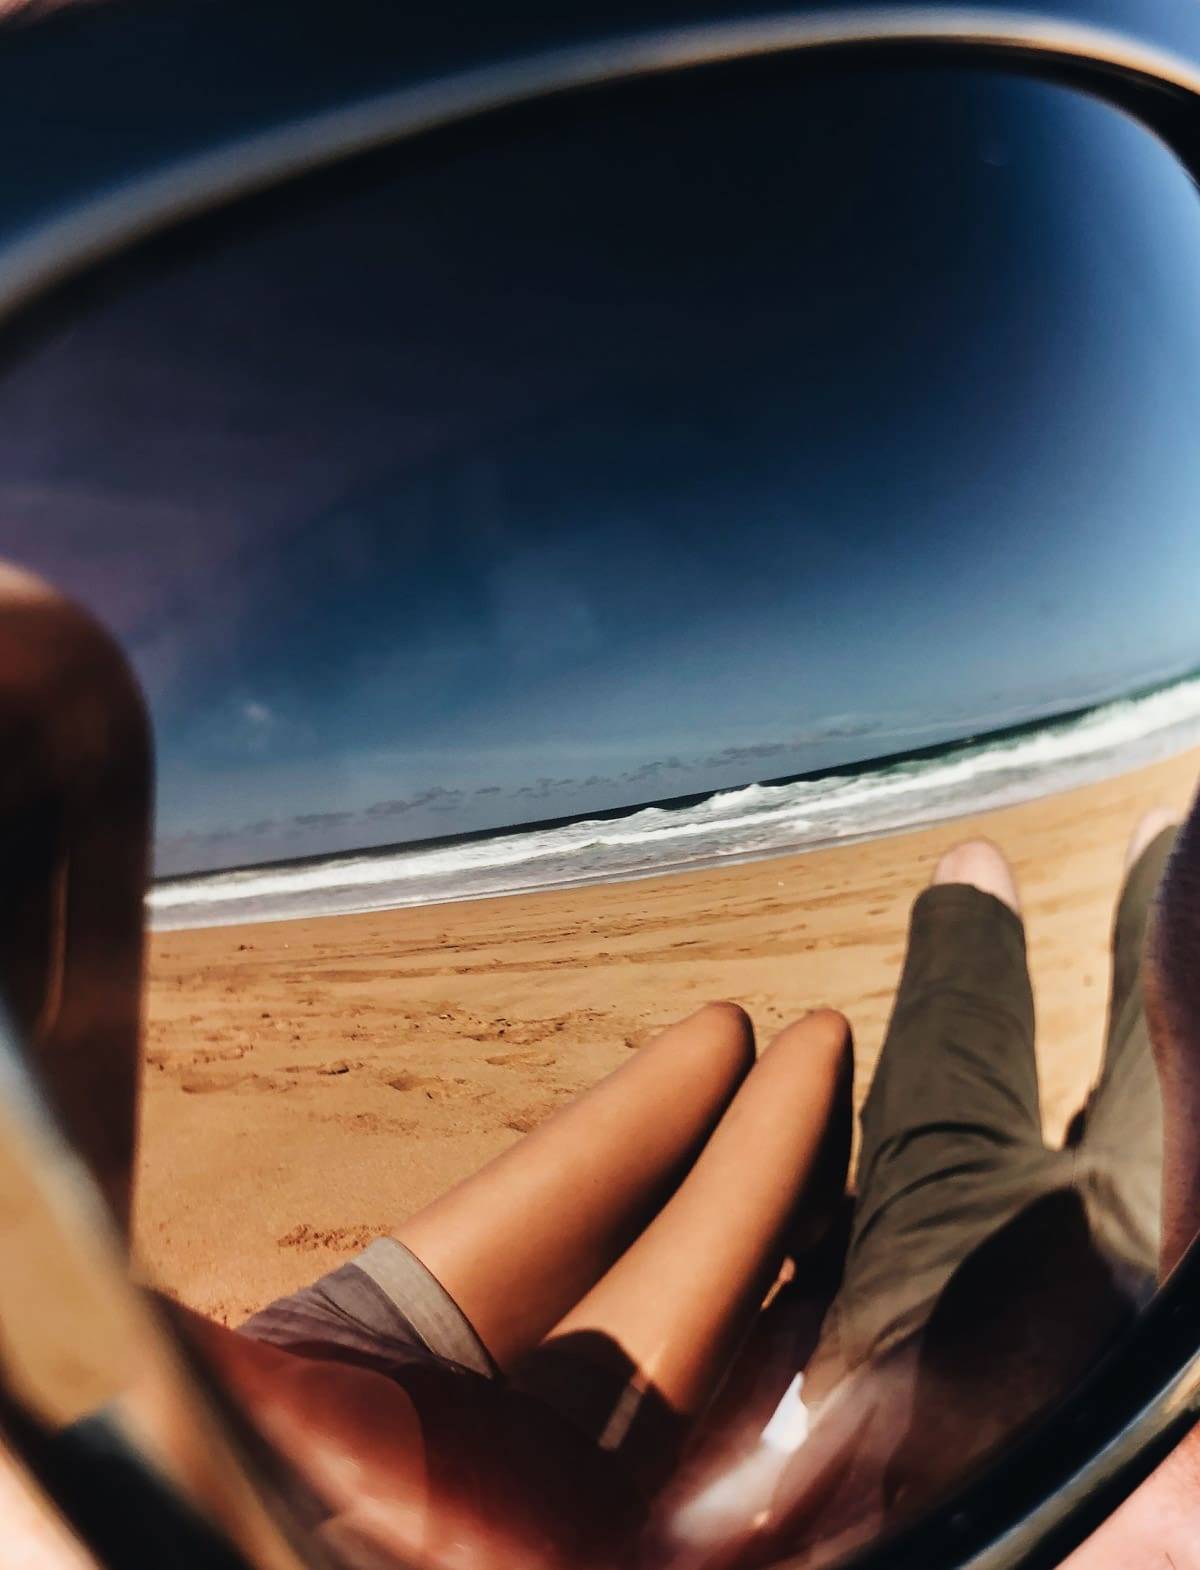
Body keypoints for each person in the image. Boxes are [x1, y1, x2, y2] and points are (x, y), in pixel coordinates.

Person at [0, 566, 853, 1570]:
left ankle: (795, 1261)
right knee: (816, 1047)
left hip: (316, 1348)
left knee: (724, 1034)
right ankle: (815, 1285)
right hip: (459, 1478)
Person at [676, 809, 1178, 1569]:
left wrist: (812, 1313)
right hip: (1148, 1280)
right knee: (1168, 852)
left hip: (912, 1293)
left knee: (971, 871)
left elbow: (716, 1508)